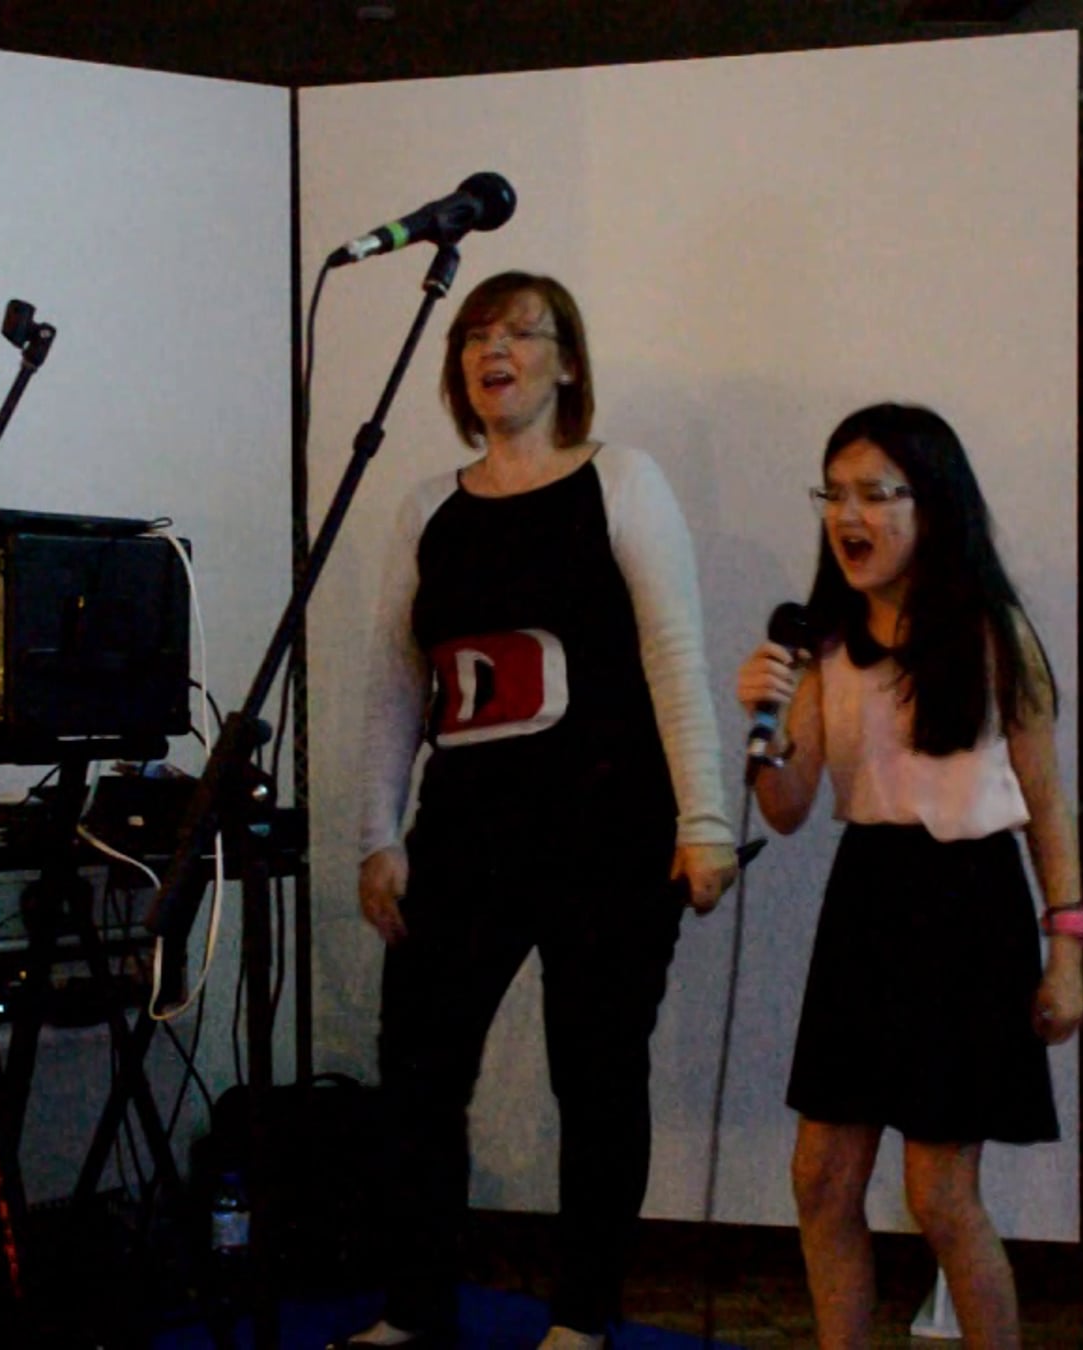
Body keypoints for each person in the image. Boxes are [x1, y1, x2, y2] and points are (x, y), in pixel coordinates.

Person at [336, 271, 738, 1350]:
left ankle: (583, 1317)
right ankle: (414, 1310)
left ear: (567, 363)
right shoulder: (427, 507)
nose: (494, 350)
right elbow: (393, 684)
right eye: (475, 334)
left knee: (595, 1076)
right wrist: (378, 836)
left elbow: (675, 657)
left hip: (609, 831)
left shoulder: (623, 481)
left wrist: (704, 821)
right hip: (465, 832)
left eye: (520, 331)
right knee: (418, 1070)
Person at [733, 403, 1083, 1350]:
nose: (848, 515)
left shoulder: (993, 633)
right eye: (833, 494)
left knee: (939, 1193)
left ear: (932, 505)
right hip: (868, 896)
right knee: (821, 1178)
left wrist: (1067, 952)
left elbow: (1047, 805)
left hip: (970, 904)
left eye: (874, 494)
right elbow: (787, 809)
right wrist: (764, 727)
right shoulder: (824, 645)